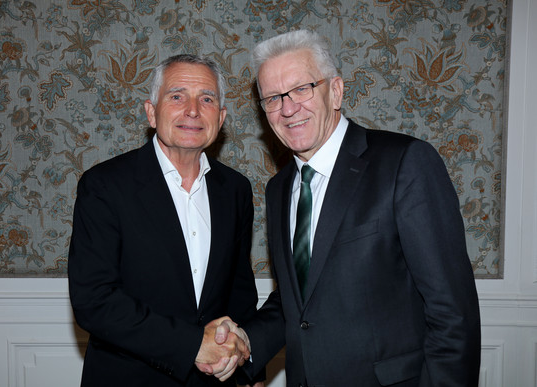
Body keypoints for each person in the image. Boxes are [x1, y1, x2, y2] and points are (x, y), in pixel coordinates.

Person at [211, 29, 481, 386]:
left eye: (302, 89)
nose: (288, 108)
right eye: (273, 98)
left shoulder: (404, 164)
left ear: (335, 90)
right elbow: (299, 302)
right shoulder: (279, 189)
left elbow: (452, 314)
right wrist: (246, 342)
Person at [68, 54, 264, 387]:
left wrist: (248, 370)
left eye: (207, 99)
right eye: (177, 96)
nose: (192, 110)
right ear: (151, 112)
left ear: (221, 116)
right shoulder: (104, 186)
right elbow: (94, 300)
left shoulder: (235, 190)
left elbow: (240, 291)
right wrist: (191, 345)